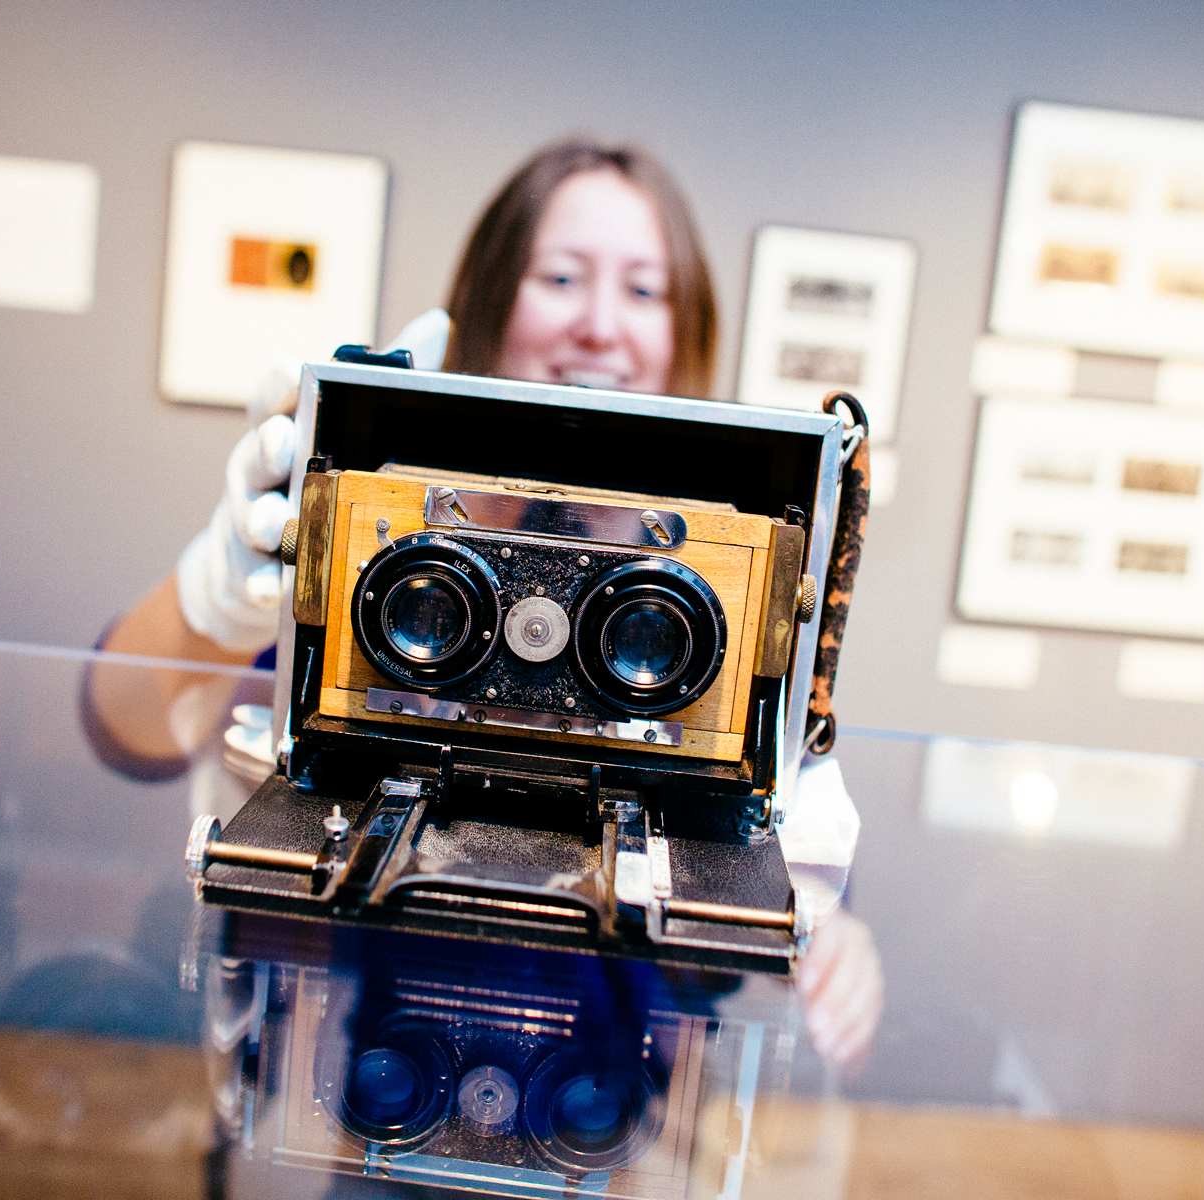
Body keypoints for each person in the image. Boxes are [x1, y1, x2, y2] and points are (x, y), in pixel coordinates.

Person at [86, 139, 882, 1067]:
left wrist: (837, 940)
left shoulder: (724, 596)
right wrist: (216, 594)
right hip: (349, 1068)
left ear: (685, 329)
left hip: (608, 1099)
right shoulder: (384, 551)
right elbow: (122, 730)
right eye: (560, 276)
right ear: (492, 297)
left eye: (642, 290)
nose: (599, 325)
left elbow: (785, 886)